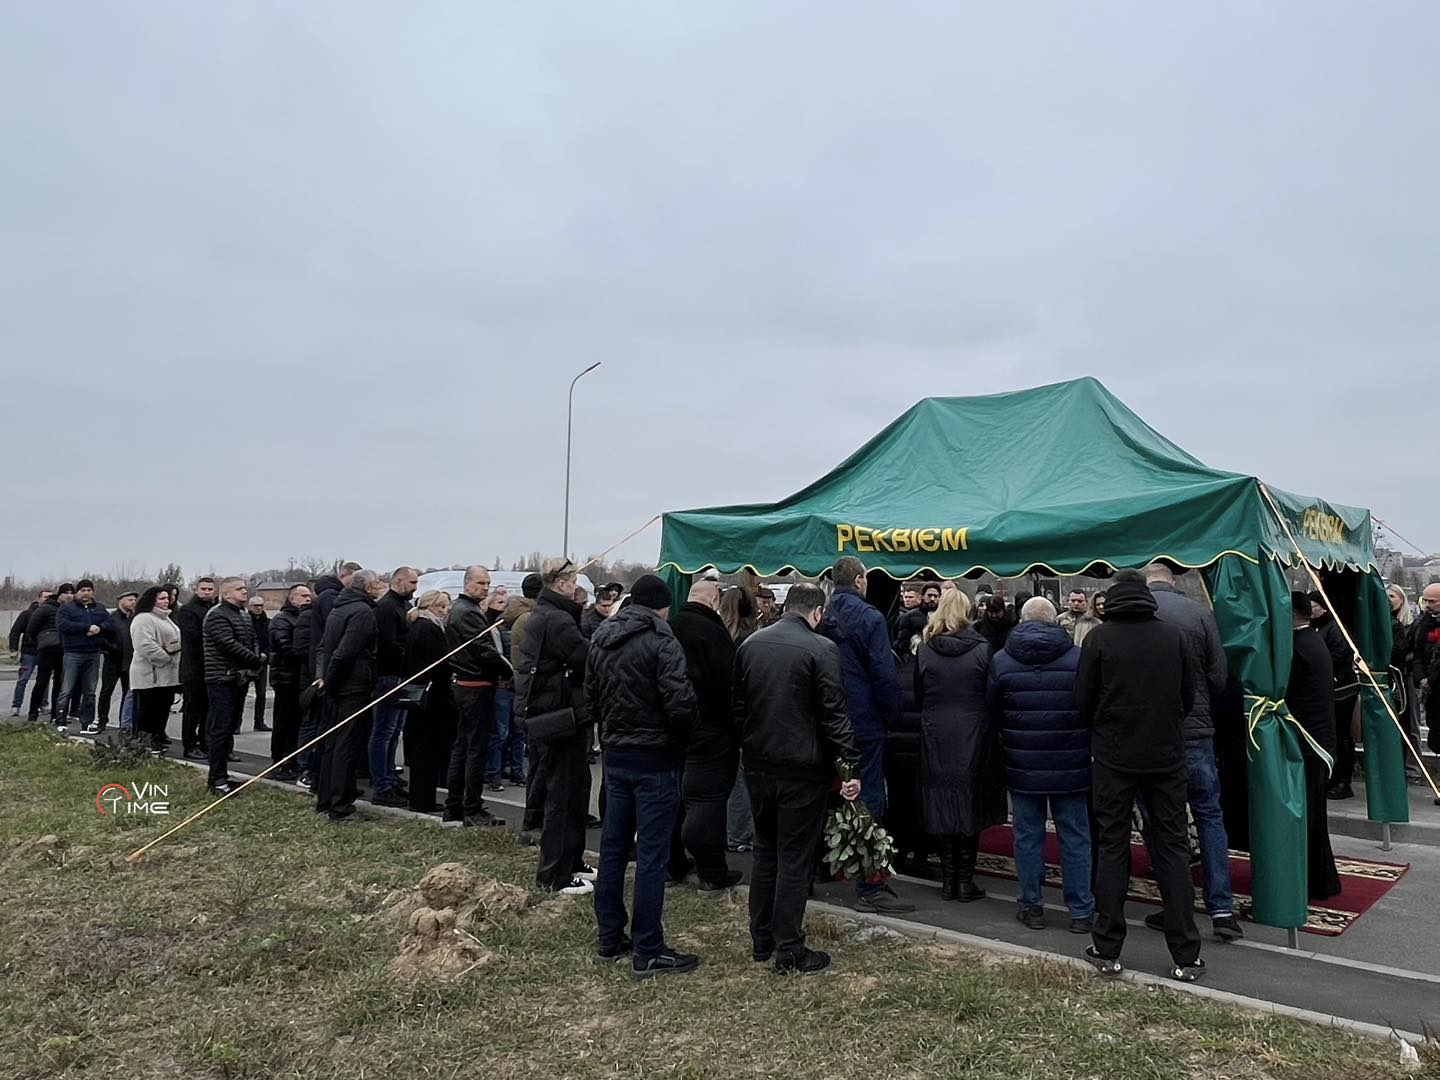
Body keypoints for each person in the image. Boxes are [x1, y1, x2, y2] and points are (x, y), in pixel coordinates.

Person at [1076, 569, 1201, 982]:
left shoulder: (1099, 639)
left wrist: (1105, 725)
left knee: (1113, 845)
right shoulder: (1173, 637)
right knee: (1172, 847)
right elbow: (1187, 696)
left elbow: (1083, 698)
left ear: (1111, 600)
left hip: (1114, 755)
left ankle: (1107, 945)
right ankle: (1186, 953)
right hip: (1165, 755)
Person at [734, 582, 861, 974]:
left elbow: (737, 706)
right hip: (802, 769)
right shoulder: (822, 649)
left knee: (766, 852)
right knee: (793, 858)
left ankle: (762, 938)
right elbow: (834, 714)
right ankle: (788, 947)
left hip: (759, 764)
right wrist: (848, 768)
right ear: (817, 613)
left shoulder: (751, 644)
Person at [587, 574, 700, 977]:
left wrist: (611, 730)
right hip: (656, 757)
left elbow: (591, 696)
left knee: (613, 849)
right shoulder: (662, 639)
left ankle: (609, 937)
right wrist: (683, 737)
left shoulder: (602, 636)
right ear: (663, 607)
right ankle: (648, 948)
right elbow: (680, 701)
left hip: (616, 754)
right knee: (652, 856)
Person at [1144, 563, 1240, 942]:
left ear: (1146, 581)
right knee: (1209, 815)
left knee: (1161, 820)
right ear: (1174, 581)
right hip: (1197, 729)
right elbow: (1219, 675)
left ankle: (1175, 905)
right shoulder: (1200, 614)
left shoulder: (1135, 614)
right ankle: (1222, 908)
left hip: (1154, 734)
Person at [988, 597, 1095, 932]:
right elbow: (1091, 704)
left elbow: (992, 710)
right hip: (1071, 759)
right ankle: (1081, 911)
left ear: (1021, 621)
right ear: (1055, 621)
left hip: (1023, 760)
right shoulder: (1078, 658)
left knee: (1027, 836)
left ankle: (1032, 905)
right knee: (1075, 836)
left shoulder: (1002, 660)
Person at [819, 556, 911, 915]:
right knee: (868, 799)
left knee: (831, 794)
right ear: (860, 580)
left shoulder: (820, 615)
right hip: (863, 721)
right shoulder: (871, 618)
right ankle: (870, 884)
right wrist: (893, 716)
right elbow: (883, 674)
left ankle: (823, 867)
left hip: (828, 719)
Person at [515, 558, 594, 890]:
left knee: (575, 789)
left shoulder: (549, 613)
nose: (576, 586)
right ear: (561, 582)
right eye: (573, 579)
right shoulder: (556, 619)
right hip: (558, 715)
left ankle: (571, 859)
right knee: (562, 795)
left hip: (560, 711)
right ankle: (554, 875)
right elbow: (585, 656)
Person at [914, 589, 997, 904]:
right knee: (968, 803)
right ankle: (964, 880)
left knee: (940, 801)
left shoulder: (925, 649)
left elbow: (919, 693)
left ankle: (949, 879)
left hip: (935, 730)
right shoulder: (982, 648)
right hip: (972, 730)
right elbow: (991, 694)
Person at [670, 578, 742, 893]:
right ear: (714, 601)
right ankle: (712, 872)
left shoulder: (670, 628)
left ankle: (672, 864)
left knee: (674, 799)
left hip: (673, 727)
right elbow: (729, 682)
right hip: (711, 729)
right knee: (707, 801)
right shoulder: (713, 632)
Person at [314, 569, 387, 821]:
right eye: (377, 583)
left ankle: (326, 799)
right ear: (367, 587)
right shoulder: (362, 612)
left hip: (338, 684)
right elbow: (344, 652)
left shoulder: (339, 608)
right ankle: (340, 806)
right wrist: (331, 682)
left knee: (333, 744)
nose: (380, 586)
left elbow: (325, 648)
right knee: (346, 745)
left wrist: (326, 679)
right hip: (351, 686)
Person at [443, 565, 509, 827]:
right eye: (481, 583)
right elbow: (482, 649)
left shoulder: (464, 610)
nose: (485, 588)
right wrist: (508, 669)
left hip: (468, 684)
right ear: (467, 583)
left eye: (488, 583)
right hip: (474, 685)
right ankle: (470, 807)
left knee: (463, 747)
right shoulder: (467, 612)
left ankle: (455, 805)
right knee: (474, 749)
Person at [1287, 591, 1343, 899]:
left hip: (1308, 742)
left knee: (1308, 818)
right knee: (1314, 817)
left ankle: (1312, 882)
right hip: (1318, 738)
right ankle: (1322, 881)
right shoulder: (1312, 639)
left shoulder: (1298, 645)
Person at [201, 578, 266, 796]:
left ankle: (223, 775)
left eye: (245, 588)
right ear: (226, 593)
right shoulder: (217, 615)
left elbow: (252, 639)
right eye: (239, 589)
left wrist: (256, 658)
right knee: (220, 729)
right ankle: (216, 780)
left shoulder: (243, 614)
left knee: (229, 728)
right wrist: (255, 661)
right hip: (221, 678)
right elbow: (228, 645)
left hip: (239, 677)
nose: (244, 591)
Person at [403, 590, 456, 813]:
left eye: (446, 606)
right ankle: (422, 800)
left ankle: (422, 797)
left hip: (424, 693)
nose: (445, 611)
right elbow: (439, 662)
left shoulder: (419, 626)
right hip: (431, 695)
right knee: (426, 750)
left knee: (423, 749)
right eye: (441, 606)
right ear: (429, 607)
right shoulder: (428, 628)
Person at [370, 566, 419, 806]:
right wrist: (409, 658)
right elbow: (389, 643)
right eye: (411, 583)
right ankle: (381, 784)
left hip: (401, 674)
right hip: (388, 674)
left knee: (394, 730)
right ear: (398, 581)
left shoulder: (404, 605)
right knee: (384, 730)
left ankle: (389, 776)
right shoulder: (387, 607)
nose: (415, 588)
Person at [1312, 592, 1360, 800]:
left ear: (1323, 607)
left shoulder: (1334, 627)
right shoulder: (1320, 627)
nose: (1310, 610)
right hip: (1330, 687)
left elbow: (1339, 654)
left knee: (1342, 734)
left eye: (1313, 606)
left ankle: (1343, 780)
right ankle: (1333, 776)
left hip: (1341, 688)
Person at [266, 583, 312, 780]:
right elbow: (285, 648)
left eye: (309, 595)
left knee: (296, 723)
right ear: (292, 598)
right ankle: (280, 761)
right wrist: (305, 657)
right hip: (285, 677)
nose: (308, 598)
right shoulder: (282, 620)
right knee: (284, 721)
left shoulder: (305, 618)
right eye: (303, 596)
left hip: (299, 678)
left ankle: (293, 759)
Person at [129, 586, 183, 752]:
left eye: (167, 598)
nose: (166, 601)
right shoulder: (143, 619)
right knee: (149, 709)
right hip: (150, 673)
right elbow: (144, 645)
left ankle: (157, 736)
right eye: (161, 598)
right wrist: (166, 657)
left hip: (167, 674)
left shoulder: (166, 618)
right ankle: (145, 740)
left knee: (163, 708)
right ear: (151, 600)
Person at [56, 579, 110, 734]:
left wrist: (99, 628)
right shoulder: (67, 609)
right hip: (73, 652)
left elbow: (110, 623)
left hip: (93, 653)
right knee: (67, 689)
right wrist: (86, 628)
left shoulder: (99, 608)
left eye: (89, 590)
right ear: (77, 593)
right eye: (82, 590)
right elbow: (63, 625)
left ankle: (87, 722)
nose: (86, 593)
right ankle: (61, 720)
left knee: (90, 691)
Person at [175, 576, 218, 760]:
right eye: (204, 589)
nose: (207, 592)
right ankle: (189, 745)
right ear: (196, 589)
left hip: (211, 667)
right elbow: (191, 635)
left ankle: (205, 742)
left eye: (210, 589)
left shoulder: (215, 609)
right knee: (192, 709)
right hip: (193, 667)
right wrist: (215, 638)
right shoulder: (188, 610)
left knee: (207, 710)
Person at [1387, 584, 1423, 785]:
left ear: (1402, 599)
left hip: (1407, 676)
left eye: (1392, 596)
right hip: (1393, 676)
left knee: (1412, 722)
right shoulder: (1385, 622)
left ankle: (1412, 768)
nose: (1389, 600)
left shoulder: (1411, 623)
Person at [484, 585, 519, 792]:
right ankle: (494, 773)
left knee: (517, 732)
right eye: (499, 603)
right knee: (500, 732)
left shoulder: (519, 627)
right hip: (502, 685)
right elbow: (497, 656)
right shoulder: (494, 629)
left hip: (515, 684)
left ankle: (513, 769)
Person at [94, 590, 138, 733]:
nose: (133, 602)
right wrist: (112, 649)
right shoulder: (111, 618)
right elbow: (101, 638)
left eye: (134, 600)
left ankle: (124, 723)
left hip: (129, 661)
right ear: (121, 601)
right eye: (130, 600)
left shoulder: (135, 619)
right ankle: (102, 720)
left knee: (128, 693)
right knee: (107, 691)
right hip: (112, 660)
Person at [26, 585, 68, 724]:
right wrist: (40, 642)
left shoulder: (69, 609)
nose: (69, 596)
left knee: (59, 684)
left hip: (64, 650)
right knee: (42, 682)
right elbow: (32, 629)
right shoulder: (45, 608)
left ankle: (56, 715)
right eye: (66, 593)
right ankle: (33, 713)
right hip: (47, 650)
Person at [8, 589, 49, 718]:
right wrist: (13, 649)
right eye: (45, 597)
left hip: (45, 652)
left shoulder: (52, 613)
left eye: (50, 597)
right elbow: (15, 632)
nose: (47, 600)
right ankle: (16, 706)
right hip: (29, 653)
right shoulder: (27, 614)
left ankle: (43, 705)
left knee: (44, 680)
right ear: (39, 598)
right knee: (23, 679)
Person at [1412, 584, 1440, 761]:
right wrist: (1421, 678)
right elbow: (1417, 652)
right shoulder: (1425, 623)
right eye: (1426, 601)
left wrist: (1432, 680)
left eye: (1432, 601)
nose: (1428, 605)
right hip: (1431, 692)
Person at [245, 595, 272, 732]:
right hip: (246, 660)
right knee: (241, 694)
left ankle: (259, 721)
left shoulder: (268, 623)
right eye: (256, 606)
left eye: (261, 605)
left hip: (262, 661)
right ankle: (236, 723)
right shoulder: (245, 621)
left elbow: (271, 641)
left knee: (261, 694)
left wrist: (265, 654)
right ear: (250, 607)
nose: (259, 608)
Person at [892, 582, 930, 658]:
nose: (907, 600)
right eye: (905, 597)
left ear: (919, 598)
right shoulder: (898, 614)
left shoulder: (926, 614)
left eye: (910, 597)